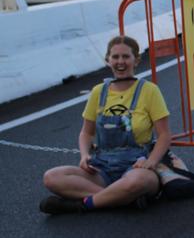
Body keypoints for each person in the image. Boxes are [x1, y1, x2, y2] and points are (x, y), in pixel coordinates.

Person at [39, 35, 171, 214]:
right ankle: (121, 198)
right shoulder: (98, 92)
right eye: (115, 57)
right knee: (52, 177)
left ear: (136, 60)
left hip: (136, 166)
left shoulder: (149, 90)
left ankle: (81, 205)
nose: (120, 62)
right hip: (102, 167)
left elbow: (164, 135)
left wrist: (151, 162)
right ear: (108, 60)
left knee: (137, 182)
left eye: (126, 56)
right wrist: (85, 155)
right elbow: (86, 133)